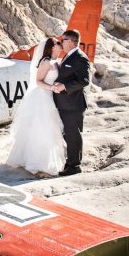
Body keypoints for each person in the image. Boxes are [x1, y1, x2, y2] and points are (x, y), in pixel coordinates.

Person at [6, 38, 67, 177]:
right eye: (58, 43)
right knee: (42, 129)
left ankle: (44, 160)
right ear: (52, 48)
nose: (60, 44)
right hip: (42, 97)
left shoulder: (55, 62)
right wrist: (52, 87)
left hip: (50, 96)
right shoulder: (45, 62)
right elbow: (38, 81)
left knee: (49, 129)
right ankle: (39, 163)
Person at [51, 29, 91, 176]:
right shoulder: (69, 56)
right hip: (65, 104)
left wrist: (64, 87)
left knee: (73, 136)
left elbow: (84, 80)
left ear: (70, 41)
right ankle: (70, 163)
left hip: (73, 105)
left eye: (63, 40)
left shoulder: (80, 58)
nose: (61, 43)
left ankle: (74, 167)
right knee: (68, 135)